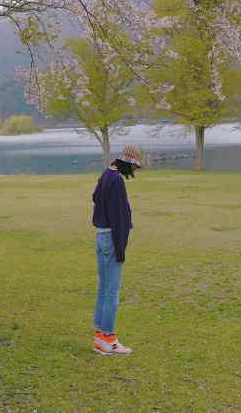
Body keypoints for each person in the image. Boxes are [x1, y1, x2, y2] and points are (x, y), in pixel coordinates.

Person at [91, 144, 143, 356]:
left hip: (101, 236)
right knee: (112, 291)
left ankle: (99, 338)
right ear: (127, 164)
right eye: (133, 168)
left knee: (103, 289)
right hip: (112, 239)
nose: (133, 172)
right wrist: (121, 248)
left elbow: (95, 198)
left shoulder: (105, 175)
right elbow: (120, 218)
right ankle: (109, 339)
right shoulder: (117, 181)